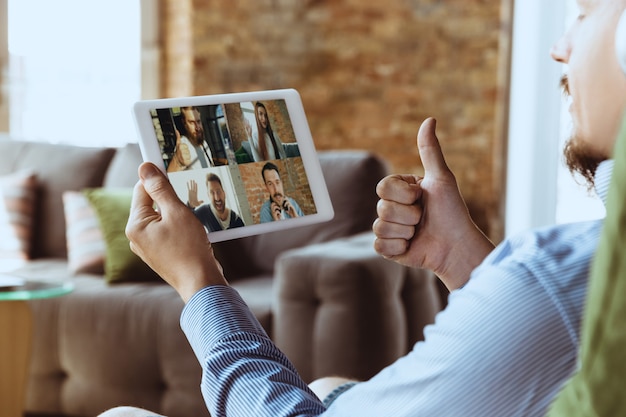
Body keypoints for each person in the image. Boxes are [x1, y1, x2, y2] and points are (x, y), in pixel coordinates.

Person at [101, 0, 626, 415]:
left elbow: (545, 312)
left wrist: (200, 283)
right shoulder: (582, 273)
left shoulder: (559, 276)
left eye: (582, 15)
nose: (561, 47)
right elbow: (548, 355)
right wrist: (463, 259)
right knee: (330, 383)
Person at [168, 107, 214, 171]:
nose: (197, 128)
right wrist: (177, 161)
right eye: (192, 122)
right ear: (184, 124)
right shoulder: (182, 145)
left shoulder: (204, 143)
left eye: (198, 121)